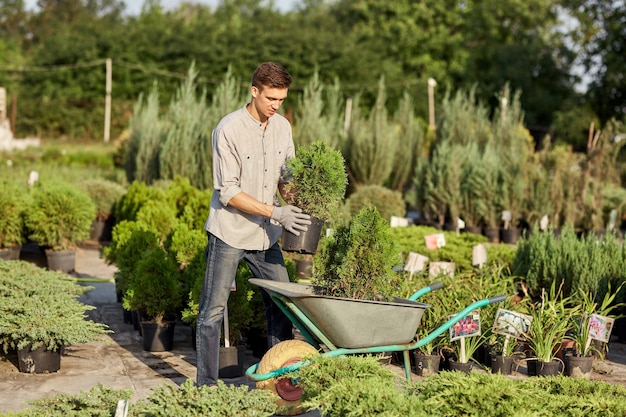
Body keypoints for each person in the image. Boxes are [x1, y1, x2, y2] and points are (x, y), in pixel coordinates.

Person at [196, 62, 311, 387]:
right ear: (254, 91)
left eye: (282, 100)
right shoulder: (228, 129)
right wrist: (275, 213)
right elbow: (228, 191)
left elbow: (286, 178)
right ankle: (205, 387)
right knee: (212, 312)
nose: (276, 106)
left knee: (282, 304)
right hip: (230, 232)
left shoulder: (282, 128)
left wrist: (297, 205)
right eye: (271, 98)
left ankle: (277, 381)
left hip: (266, 237)